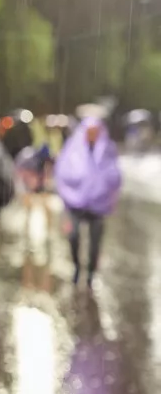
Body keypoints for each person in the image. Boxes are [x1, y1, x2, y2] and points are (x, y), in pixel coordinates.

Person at [54, 116, 122, 288]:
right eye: (89, 132)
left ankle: (91, 273)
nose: (92, 135)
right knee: (74, 235)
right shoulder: (73, 149)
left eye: (95, 132)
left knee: (95, 242)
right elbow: (63, 171)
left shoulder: (107, 150)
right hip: (75, 205)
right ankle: (77, 267)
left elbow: (115, 175)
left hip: (98, 206)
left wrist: (104, 188)